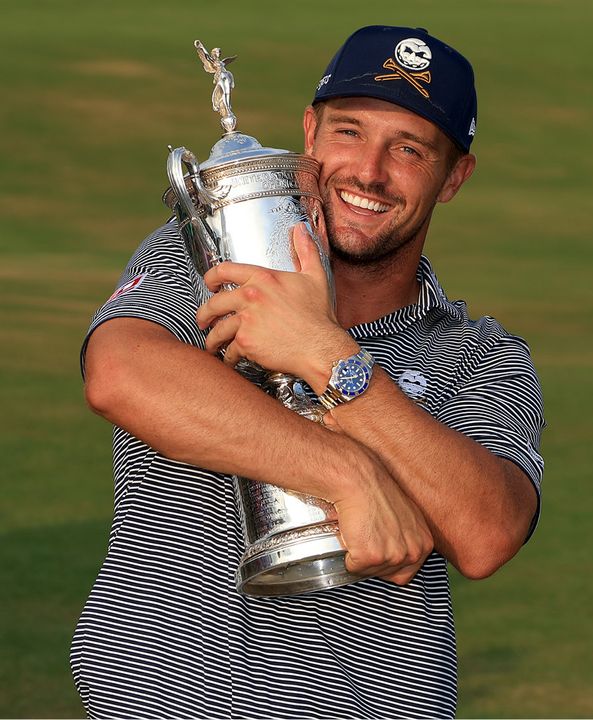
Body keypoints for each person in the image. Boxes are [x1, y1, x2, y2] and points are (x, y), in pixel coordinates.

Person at [77, 26, 544, 718]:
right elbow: (121, 373)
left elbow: (486, 532)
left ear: (454, 177)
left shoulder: (482, 355)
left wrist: (327, 356)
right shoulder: (207, 252)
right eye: (349, 133)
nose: (369, 171)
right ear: (309, 132)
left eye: (409, 149)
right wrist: (347, 473)